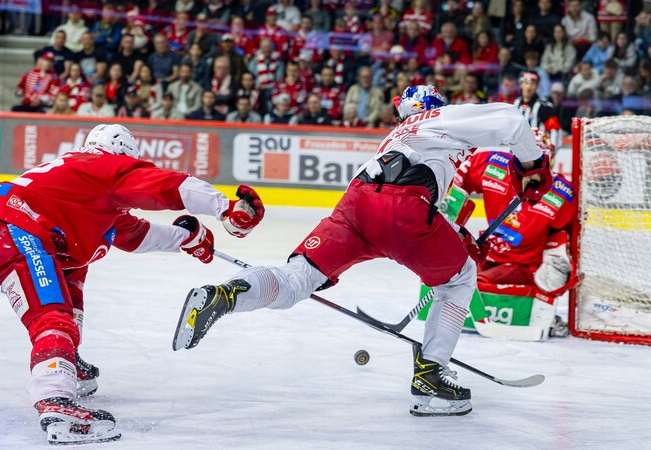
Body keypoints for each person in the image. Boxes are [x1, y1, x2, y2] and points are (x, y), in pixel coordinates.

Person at [172, 85, 552, 417]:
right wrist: (533, 163)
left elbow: (396, 191)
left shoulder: (398, 134)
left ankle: (224, 295)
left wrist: (453, 234)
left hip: (355, 207)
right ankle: (430, 377)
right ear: (434, 105)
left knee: (296, 280)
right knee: (460, 278)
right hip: (403, 210)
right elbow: (513, 120)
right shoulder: (441, 118)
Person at [0, 124, 265, 444]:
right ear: (124, 156)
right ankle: (55, 398)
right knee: (52, 316)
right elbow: (170, 185)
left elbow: (134, 234)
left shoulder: (82, 185)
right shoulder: (105, 166)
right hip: (12, 229)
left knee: (73, 266)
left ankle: (66, 359)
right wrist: (226, 208)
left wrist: (186, 238)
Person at [449, 129, 575, 337]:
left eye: (536, 163)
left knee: (473, 280)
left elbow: (563, 233)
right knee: (453, 272)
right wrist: (449, 218)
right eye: (524, 162)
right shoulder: (492, 165)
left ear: (548, 162)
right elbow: (460, 178)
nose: (529, 171)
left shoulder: (561, 192)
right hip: (488, 251)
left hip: (521, 265)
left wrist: (556, 263)